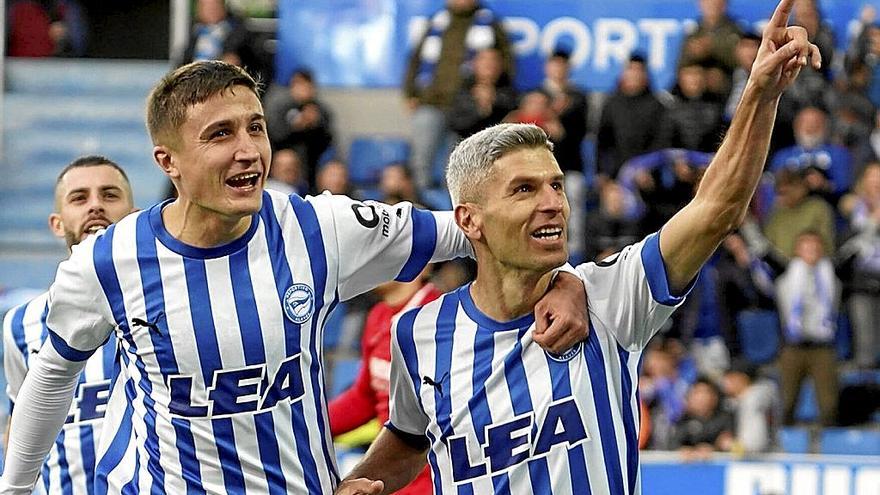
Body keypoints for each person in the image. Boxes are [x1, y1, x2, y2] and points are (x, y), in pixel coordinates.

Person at [0, 60, 588, 494]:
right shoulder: (109, 260)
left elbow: (478, 225)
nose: (249, 150)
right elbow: (50, 379)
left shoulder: (318, 226)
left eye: (255, 127)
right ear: (168, 162)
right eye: (220, 135)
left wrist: (564, 276)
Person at [336, 3, 820, 490]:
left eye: (556, 186)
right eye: (524, 189)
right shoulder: (417, 333)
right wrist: (354, 483)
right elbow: (408, 437)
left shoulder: (607, 295)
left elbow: (717, 208)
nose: (553, 204)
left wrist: (759, 95)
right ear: (469, 220)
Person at [2, 156, 135, 494]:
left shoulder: (170, 303)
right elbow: (21, 425)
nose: (95, 206)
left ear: (134, 216)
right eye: (79, 198)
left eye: (109, 195)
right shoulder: (20, 324)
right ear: (57, 224)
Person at [328, 269, 442, 495]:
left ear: (424, 263)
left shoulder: (439, 316)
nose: (377, 259)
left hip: (431, 478)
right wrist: (310, 427)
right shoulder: (378, 316)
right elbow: (364, 398)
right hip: (391, 476)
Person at [403, 0, 513, 190]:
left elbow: (505, 61)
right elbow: (416, 59)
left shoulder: (490, 23)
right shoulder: (436, 22)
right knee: (421, 162)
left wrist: (493, 88)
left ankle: (455, 211)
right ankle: (422, 207)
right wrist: (410, 92)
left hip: (467, 106)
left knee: (461, 164)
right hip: (432, 102)